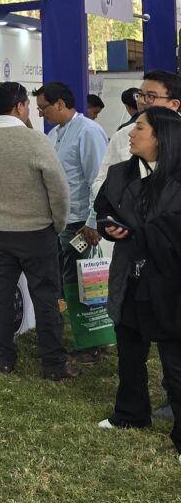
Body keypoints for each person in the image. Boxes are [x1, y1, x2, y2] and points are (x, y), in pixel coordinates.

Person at [0, 81, 74, 379]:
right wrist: (57, 223)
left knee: (1, 295)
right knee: (46, 296)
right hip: (37, 232)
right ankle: (52, 363)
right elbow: (59, 189)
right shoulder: (36, 140)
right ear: (20, 106)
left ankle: (5, 359)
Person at [91, 71, 181, 419]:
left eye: (140, 128)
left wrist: (140, 233)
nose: (131, 132)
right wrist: (108, 227)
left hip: (169, 279)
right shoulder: (121, 174)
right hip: (129, 273)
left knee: (174, 357)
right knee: (129, 349)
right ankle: (130, 414)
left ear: (162, 136)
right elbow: (103, 207)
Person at [33, 83, 108, 303]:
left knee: (78, 283)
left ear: (60, 104)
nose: (41, 113)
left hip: (81, 222)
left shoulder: (88, 131)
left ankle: (81, 322)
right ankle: (67, 320)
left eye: (43, 107)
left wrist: (93, 221)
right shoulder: (53, 134)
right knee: (61, 281)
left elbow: (98, 180)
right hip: (58, 221)